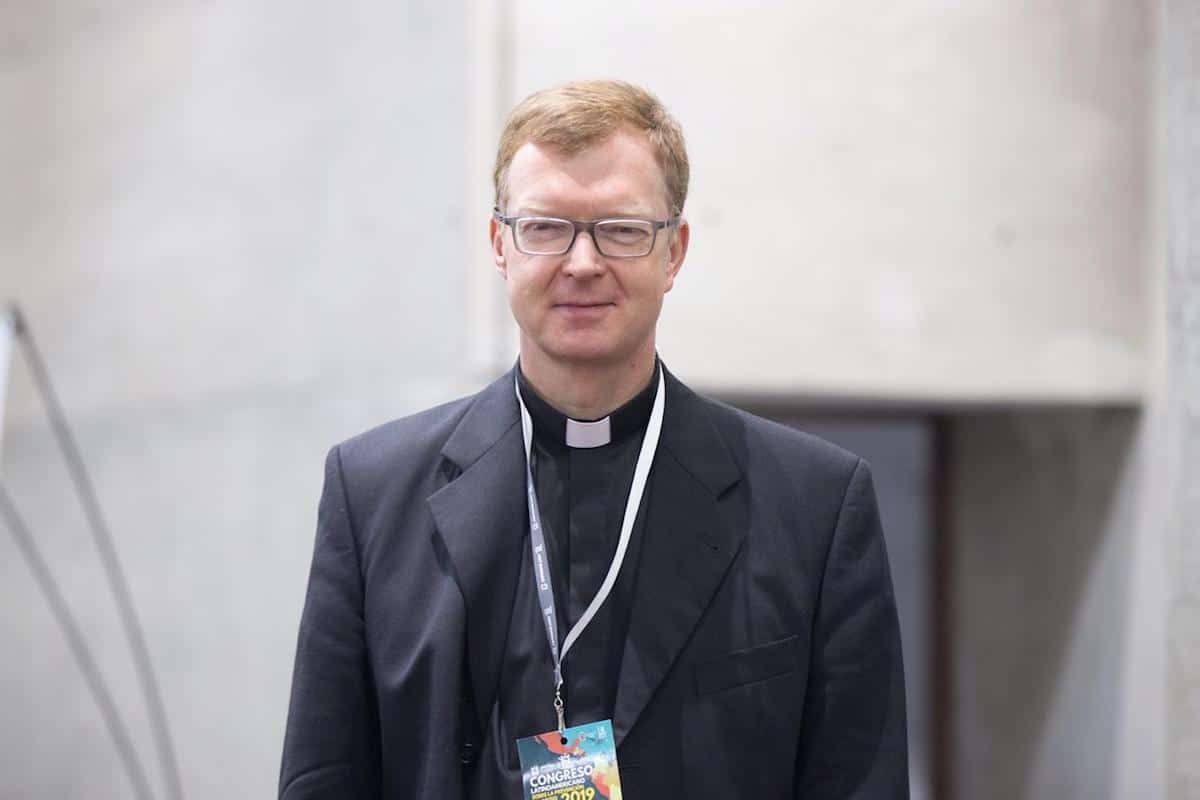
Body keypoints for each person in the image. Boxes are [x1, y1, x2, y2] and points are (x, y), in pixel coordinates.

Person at [279, 79, 907, 799]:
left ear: (674, 252)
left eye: (621, 229)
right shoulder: (372, 494)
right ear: (499, 245)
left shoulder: (816, 507)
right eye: (545, 227)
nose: (582, 263)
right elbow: (323, 779)